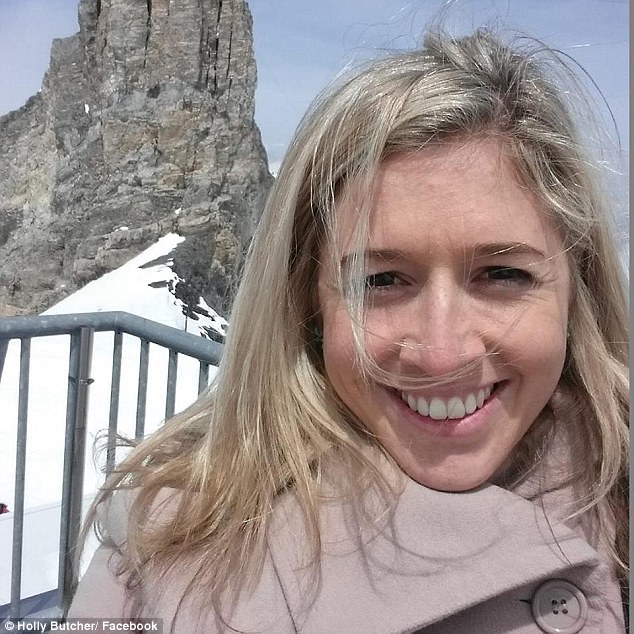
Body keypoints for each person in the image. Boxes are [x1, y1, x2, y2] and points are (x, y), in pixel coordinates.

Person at [68, 28, 628, 633]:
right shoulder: (165, 551)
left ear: (577, 292)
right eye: (381, 281)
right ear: (306, 305)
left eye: (502, 274)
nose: (443, 353)